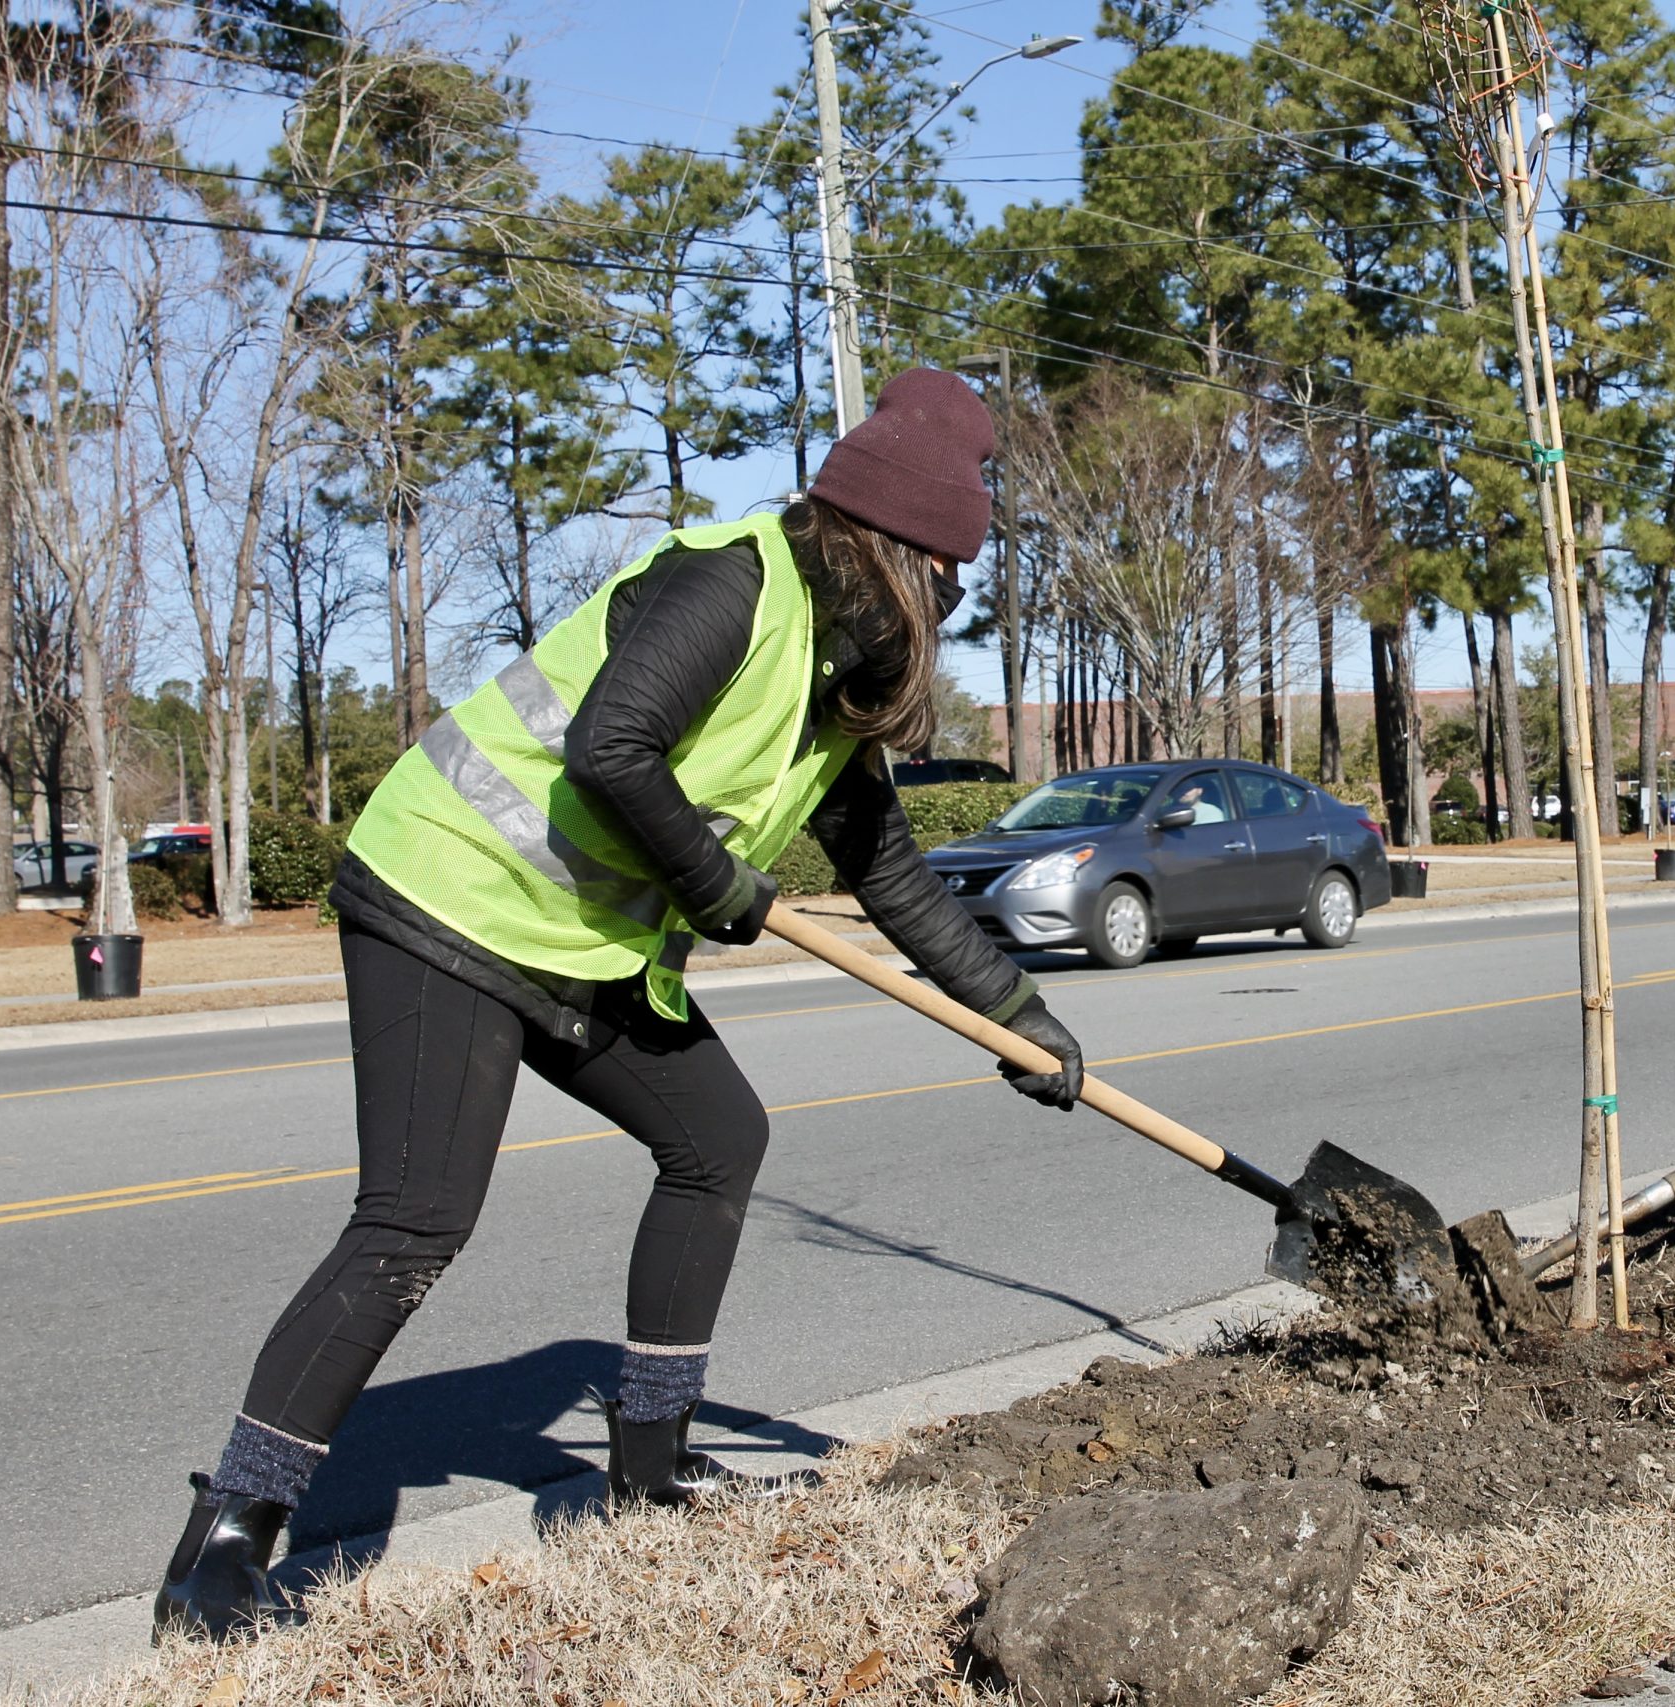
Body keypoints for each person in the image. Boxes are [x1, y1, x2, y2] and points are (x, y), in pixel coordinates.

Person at [154, 370, 1089, 1643]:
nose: (944, 611)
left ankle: (643, 1472)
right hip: (448, 899)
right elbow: (610, 745)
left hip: (578, 947)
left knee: (718, 1143)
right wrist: (715, 884)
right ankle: (227, 1543)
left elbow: (889, 874)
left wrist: (1017, 1018)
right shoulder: (736, 582)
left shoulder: (832, 671)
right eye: (944, 585)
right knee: (416, 1218)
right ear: (898, 554)